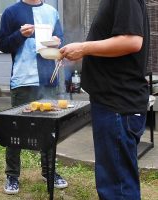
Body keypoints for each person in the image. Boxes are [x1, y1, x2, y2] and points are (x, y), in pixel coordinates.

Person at [60, 0, 150, 199]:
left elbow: (132, 40)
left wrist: (84, 48)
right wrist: (82, 54)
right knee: (115, 181)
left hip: (117, 104)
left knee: (117, 189)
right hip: (110, 103)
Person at [0, 0, 68, 195]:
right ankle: (12, 175)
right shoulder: (11, 12)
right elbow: (3, 44)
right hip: (22, 79)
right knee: (15, 129)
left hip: (48, 80)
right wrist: (20, 35)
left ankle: (50, 172)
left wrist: (57, 41)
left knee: (49, 130)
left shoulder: (51, 12)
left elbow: (60, 38)